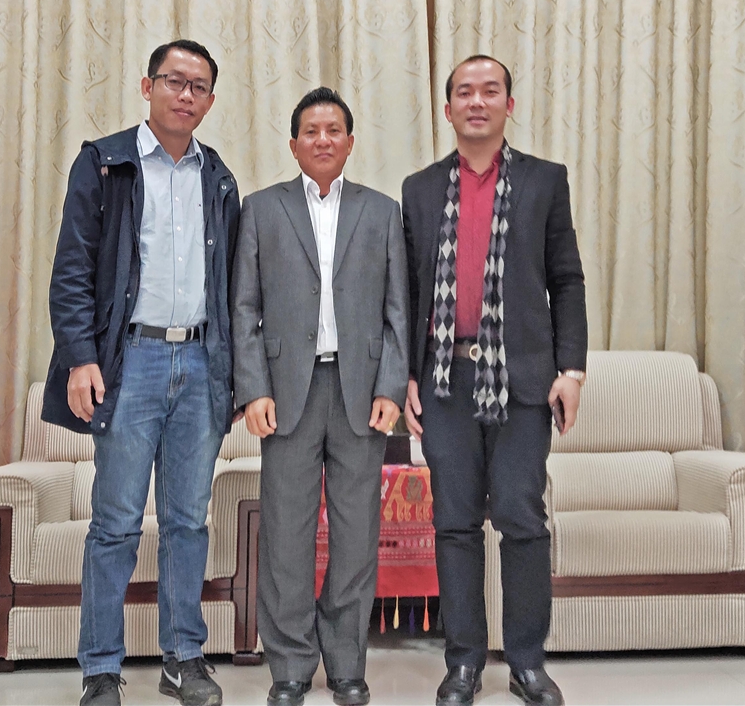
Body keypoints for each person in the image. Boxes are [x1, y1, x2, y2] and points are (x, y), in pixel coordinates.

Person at [42, 39, 239, 706]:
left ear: (210, 100)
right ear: (147, 86)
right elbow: (72, 270)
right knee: (117, 523)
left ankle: (184, 658)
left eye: (198, 86)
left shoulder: (218, 178)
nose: (185, 95)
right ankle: (100, 667)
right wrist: (81, 357)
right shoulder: (105, 164)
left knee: (187, 522)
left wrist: (234, 375)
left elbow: (232, 287)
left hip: (202, 364)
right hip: (131, 363)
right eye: (173, 81)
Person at [402, 56, 587, 706]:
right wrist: (406, 376)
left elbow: (566, 278)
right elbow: (409, 291)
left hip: (522, 381)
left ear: (509, 104)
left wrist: (571, 370)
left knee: (520, 517)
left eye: (489, 91)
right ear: (447, 108)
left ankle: (528, 664)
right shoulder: (419, 190)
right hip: (444, 379)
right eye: (463, 92)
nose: (476, 101)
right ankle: (463, 664)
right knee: (454, 524)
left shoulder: (544, 181)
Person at [232, 87, 408, 706]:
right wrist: (253, 389)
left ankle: (347, 665)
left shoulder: (382, 212)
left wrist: (391, 387)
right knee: (286, 534)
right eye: (311, 130)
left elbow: (397, 312)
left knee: (357, 536)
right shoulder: (262, 209)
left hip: (361, 392)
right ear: (294, 144)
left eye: (334, 130)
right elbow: (244, 307)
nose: (323, 139)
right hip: (287, 393)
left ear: (350, 143)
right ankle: (289, 667)